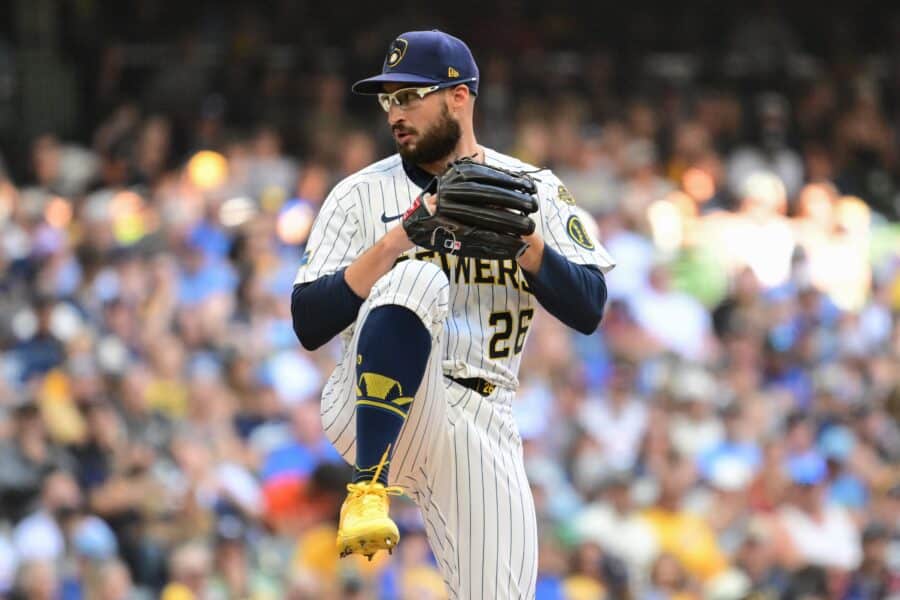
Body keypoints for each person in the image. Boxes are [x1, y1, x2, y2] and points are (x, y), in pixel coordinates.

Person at [291, 29, 614, 598]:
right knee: (417, 275)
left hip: (483, 417)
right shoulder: (358, 195)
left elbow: (589, 307)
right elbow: (308, 322)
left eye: (410, 95)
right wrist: (397, 240)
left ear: (459, 96)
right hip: (373, 406)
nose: (395, 111)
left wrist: (525, 244)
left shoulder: (532, 188)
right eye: (388, 99)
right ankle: (367, 489)